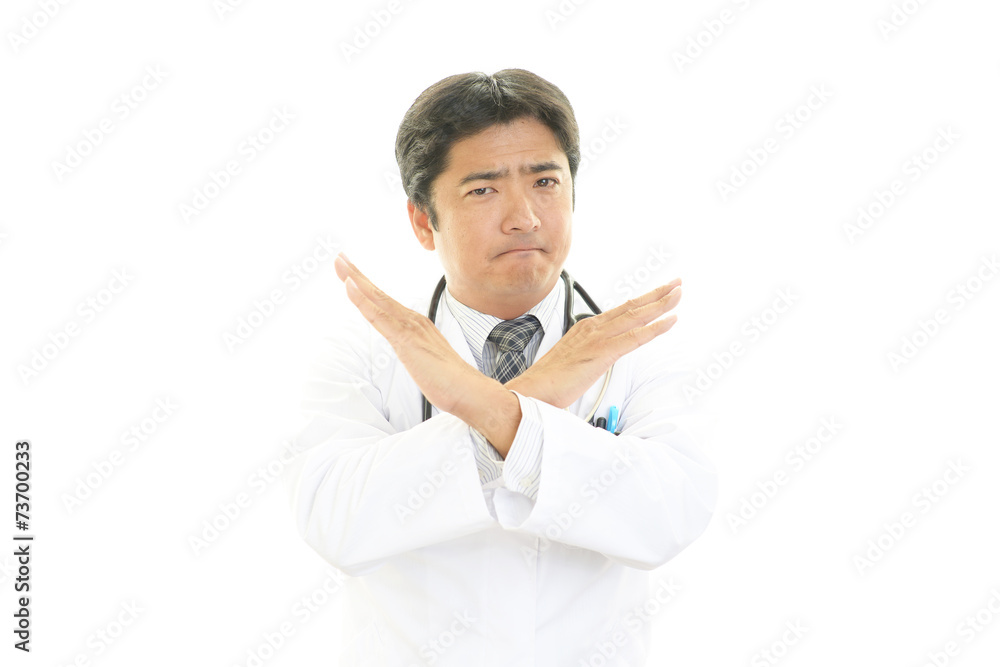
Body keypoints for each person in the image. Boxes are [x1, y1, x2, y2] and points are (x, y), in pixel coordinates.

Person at [286, 68, 717, 665]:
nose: (525, 217)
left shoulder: (638, 347)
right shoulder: (362, 354)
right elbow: (334, 522)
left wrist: (485, 408)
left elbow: (669, 518)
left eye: (545, 181)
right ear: (422, 220)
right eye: (483, 190)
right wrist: (538, 400)